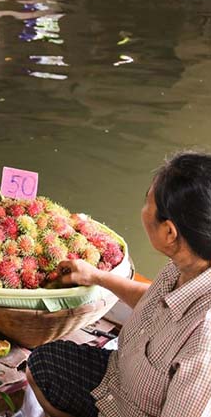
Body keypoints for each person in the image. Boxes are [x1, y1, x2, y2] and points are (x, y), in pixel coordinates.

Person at [25, 151, 211, 417]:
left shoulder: (205, 336)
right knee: (41, 365)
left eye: (148, 201)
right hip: (117, 379)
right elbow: (155, 303)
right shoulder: (188, 262)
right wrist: (97, 276)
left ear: (169, 232)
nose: (143, 210)